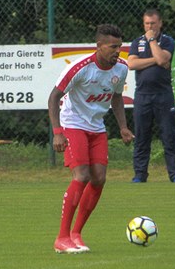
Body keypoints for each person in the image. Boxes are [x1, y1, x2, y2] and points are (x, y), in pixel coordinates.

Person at [48, 24, 134, 254]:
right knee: (82, 175)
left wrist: (123, 127)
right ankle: (61, 238)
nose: (117, 51)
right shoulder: (81, 68)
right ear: (99, 46)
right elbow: (54, 97)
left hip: (97, 127)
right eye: (113, 47)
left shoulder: (122, 68)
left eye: (120, 46)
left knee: (99, 179)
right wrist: (57, 132)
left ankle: (76, 234)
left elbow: (117, 97)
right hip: (73, 123)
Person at [127, 8, 175, 183]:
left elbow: (162, 58)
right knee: (141, 137)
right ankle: (139, 175)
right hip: (142, 95)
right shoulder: (137, 42)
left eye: (153, 23)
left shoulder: (167, 41)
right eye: (146, 23)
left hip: (163, 95)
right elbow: (132, 64)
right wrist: (156, 61)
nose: (149, 27)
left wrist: (152, 40)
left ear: (160, 23)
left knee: (169, 136)